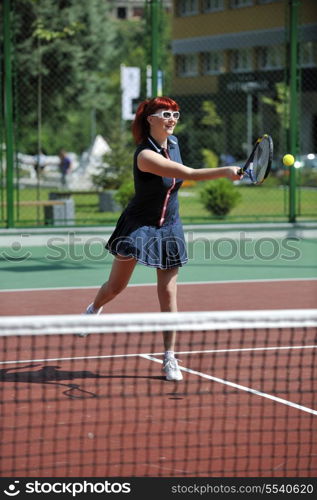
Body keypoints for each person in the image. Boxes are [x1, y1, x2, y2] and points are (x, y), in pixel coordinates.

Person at [81, 96, 242, 381]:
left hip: (169, 227)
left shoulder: (175, 143)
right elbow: (187, 173)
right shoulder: (145, 156)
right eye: (165, 113)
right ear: (150, 119)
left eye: (176, 114)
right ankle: (93, 308)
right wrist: (225, 172)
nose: (172, 119)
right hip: (140, 225)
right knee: (116, 286)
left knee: (168, 293)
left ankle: (169, 357)